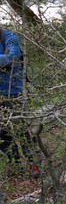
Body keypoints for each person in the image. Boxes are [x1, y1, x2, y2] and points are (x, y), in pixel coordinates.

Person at [0, 27, 36, 176]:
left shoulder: (8, 36)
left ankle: (33, 162)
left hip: (14, 90)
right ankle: (13, 164)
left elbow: (13, 56)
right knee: (2, 132)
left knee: (22, 128)